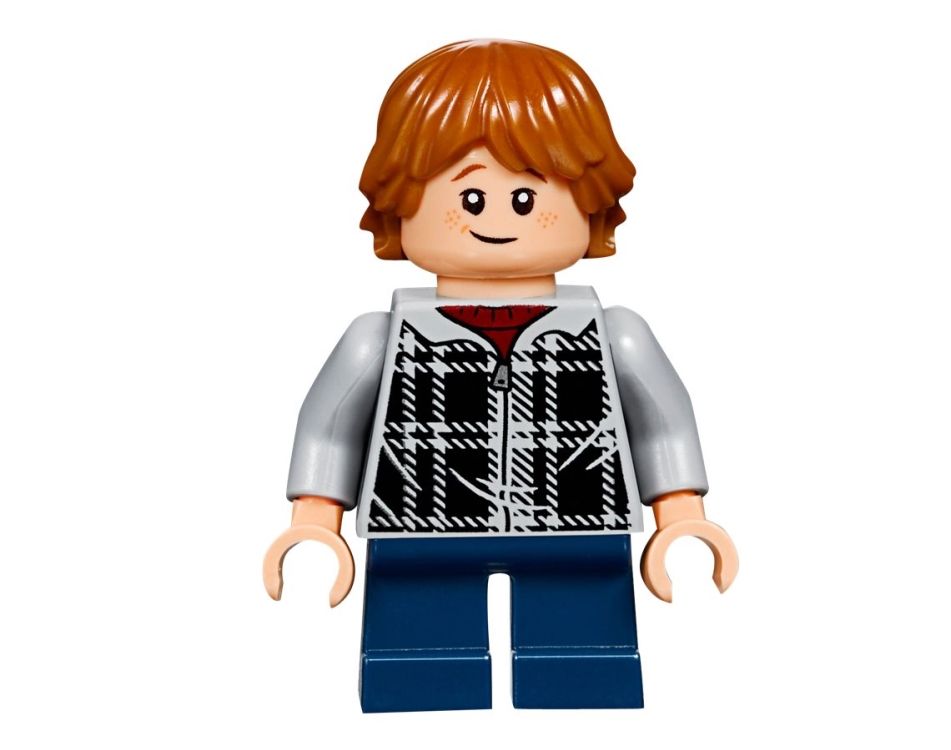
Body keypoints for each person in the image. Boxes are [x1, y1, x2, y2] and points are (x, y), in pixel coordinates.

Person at [263, 39, 738, 713]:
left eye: (524, 197)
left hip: (578, 525)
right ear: (400, 200)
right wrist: (315, 521)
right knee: (417, 657)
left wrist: (682, 515)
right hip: (420, 526)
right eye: (468, 195)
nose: (494, 217)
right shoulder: (379, 337)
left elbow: (664, 424)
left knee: (584, 659)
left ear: (590, 200)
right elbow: (330, 430)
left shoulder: (616, 333)